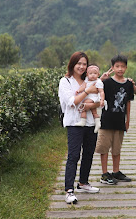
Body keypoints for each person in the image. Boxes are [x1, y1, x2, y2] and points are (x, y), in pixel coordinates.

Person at [58, 52, 100, 204]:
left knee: (88, 153)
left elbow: (98, 101)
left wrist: (90, 102)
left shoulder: (89, 80)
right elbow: (71, 102)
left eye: (84, 64)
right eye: (79, 63)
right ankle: (69, 190)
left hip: (90, 122)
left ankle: (83, 183)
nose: (82, 67)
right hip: (74, 123)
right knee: (74, 155)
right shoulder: (65, 82)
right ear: (72, 64)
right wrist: (87, 92)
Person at [95, 54, 134, 185]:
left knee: (117, 148)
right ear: (112, 67)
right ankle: (105, 174)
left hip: (119, 121)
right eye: (117, 66)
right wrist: (101, 79)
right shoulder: (106, 82)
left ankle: (116, 171)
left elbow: (128, 102)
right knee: (104, 147)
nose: (120, 69)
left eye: (123, 66)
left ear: (126, 68)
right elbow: (94, 92)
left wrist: (128, 120)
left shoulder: (129, 84)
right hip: (106, 121)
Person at [75, 64, 105, 133]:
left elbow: (101, 92)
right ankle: (97, 123)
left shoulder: (98, 82)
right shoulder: (87, 80)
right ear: (87, 74)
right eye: (90, 73)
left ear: (98, 74)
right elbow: (83, 86)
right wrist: (79, 90)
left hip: (94, 98)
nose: (93, 75)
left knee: (84, 105)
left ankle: (83, 120)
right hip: (89, 96)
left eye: (95, 73)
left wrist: (102, 100)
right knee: (94, 111)